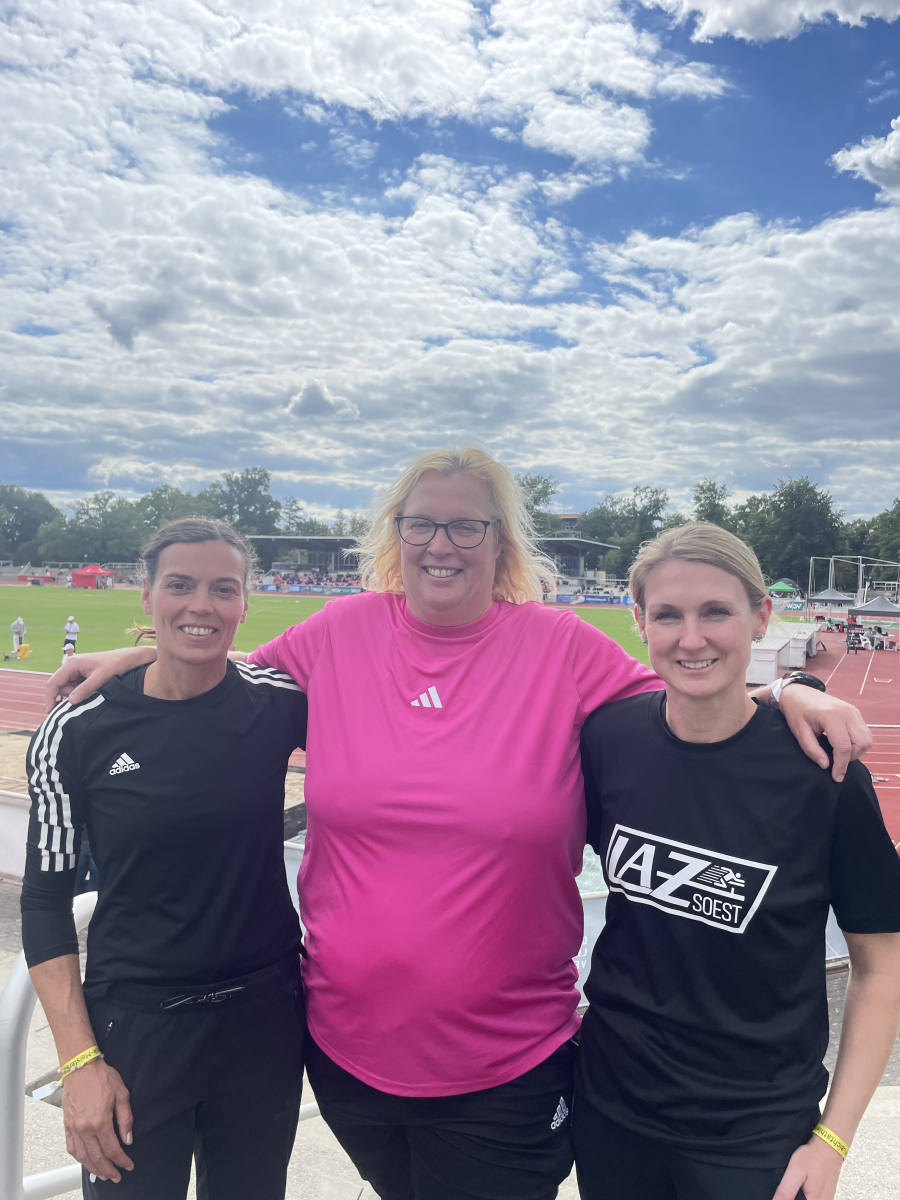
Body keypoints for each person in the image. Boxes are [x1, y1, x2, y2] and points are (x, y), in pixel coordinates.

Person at [47, 448, 871, 1200]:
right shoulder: (339, 631)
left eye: (467, 526)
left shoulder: (563, 647)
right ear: (396, 534)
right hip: (345, 1057)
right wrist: (137, 655)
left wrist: (786, 691)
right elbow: (221, 680)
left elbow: (691, 683)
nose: (442, 545)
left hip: (508, 1068)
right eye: (422, 524)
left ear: (500, 540)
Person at [574, 523, 900, 1200]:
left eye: (716, 612)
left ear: (761, 616)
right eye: (669, 615)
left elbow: (881, 964)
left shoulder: (825, 775)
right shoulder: (608, 740)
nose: (691, 638)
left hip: (755, 1142)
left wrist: (834, 1140)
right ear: (640, 621)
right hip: (610, 1115)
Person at [24, 518, 308, 1200]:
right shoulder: (77, 728)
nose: (201, 605)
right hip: (134, 1029)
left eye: (223, 589)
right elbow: (44, 902)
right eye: (180, 585)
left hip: (264, 1022)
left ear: (245, 603)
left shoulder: (279, 704)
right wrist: (79, 1061)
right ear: (147, 594)